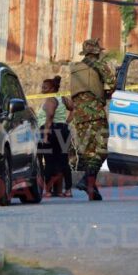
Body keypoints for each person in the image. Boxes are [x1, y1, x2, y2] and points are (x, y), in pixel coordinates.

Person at [65, 39, 114, 201]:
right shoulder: (100, 65)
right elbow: (113, 84)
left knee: (87, 153)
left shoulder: (75, 68)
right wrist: (106, 94)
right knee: (102, 149)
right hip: (95, 114)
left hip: (79, 116)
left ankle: (92, 189)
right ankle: (87, 179)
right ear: (96, 52)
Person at [36, 76, 72, 197]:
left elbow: (50, 116)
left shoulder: (51, 100)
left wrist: (46, 135)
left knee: (49, 161)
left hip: (51, 131)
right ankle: (67, 190)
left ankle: (48, 191)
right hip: (63, 131)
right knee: (63, 161)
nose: (42, 89)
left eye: (45, 87)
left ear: (52, 88)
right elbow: (73, 108)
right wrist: (66, 122)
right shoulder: (62, 98)